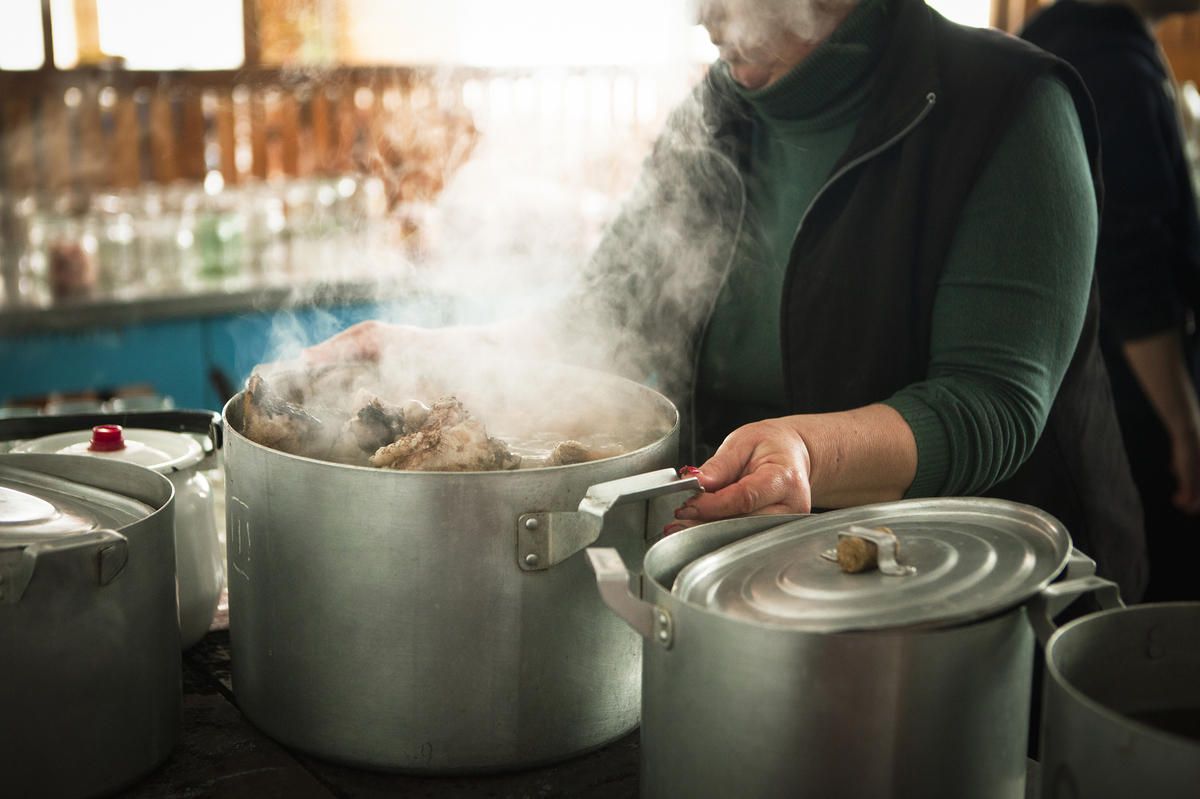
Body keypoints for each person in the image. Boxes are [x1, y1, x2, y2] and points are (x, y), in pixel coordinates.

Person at [306, 0, 1149, 602]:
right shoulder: (718, 111)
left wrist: (808, 451)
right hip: (750, 581)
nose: (698, 17)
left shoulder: (1008, 103)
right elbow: (603, 317)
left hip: (980, 605)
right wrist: (439, 351)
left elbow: (990, 405)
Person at [1021, 0, 1200, 602]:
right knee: (1150, 594)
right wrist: (1182, 420)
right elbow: (1131, 269)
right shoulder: (1113, 68)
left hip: (1073, 389)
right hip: (1126, 400)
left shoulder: (1058, 39)